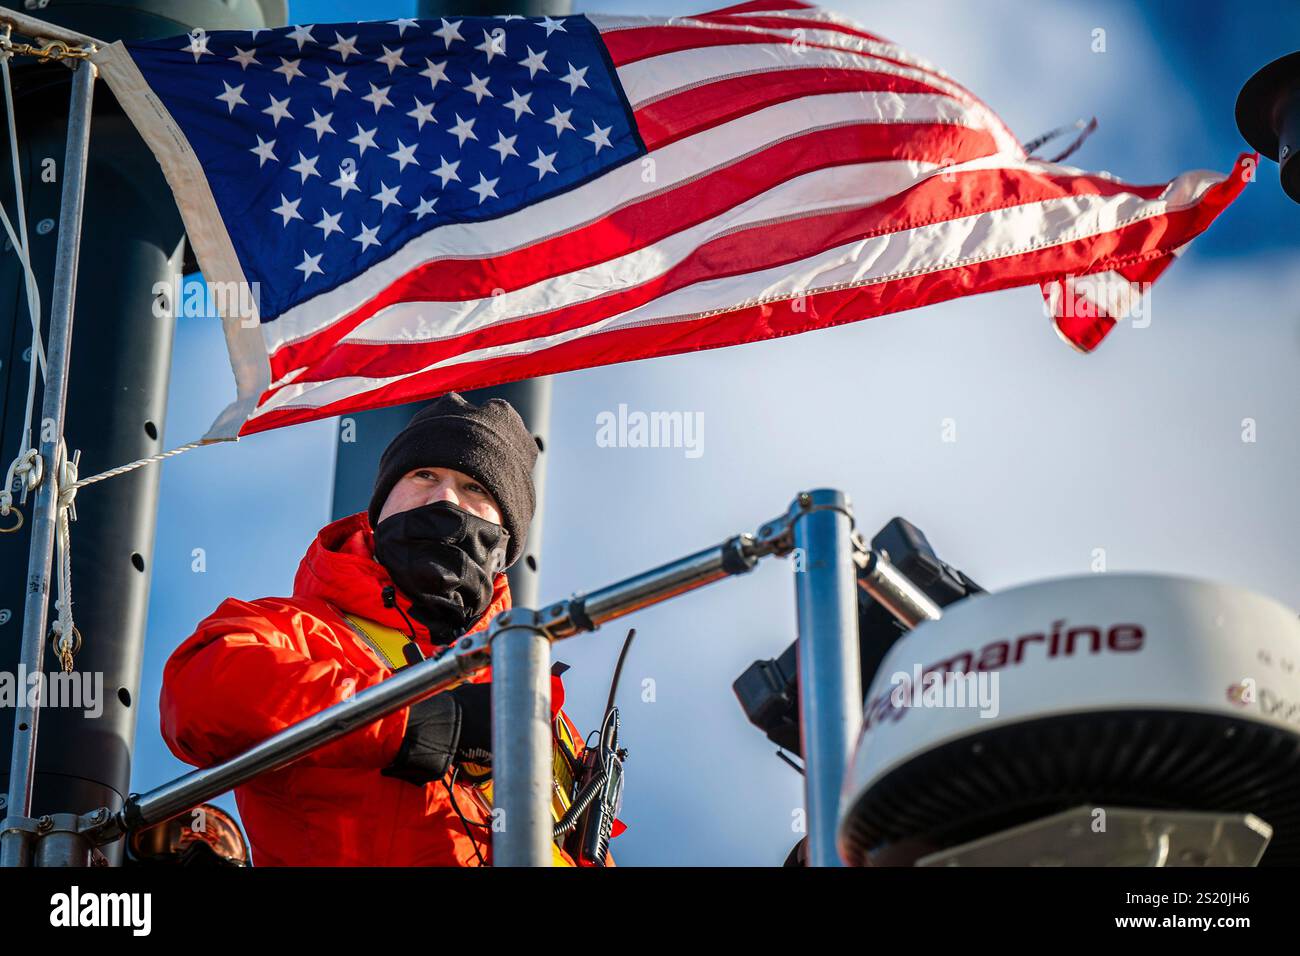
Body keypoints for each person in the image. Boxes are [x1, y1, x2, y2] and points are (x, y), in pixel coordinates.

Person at [160, 392, 603, 866]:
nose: (446, 499)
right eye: (425, 475)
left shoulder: (542, 714)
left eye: (476, 487)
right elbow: (199, 693)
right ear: (382, 504)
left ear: (507, 538)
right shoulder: (296, 629)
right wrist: (413, 722)